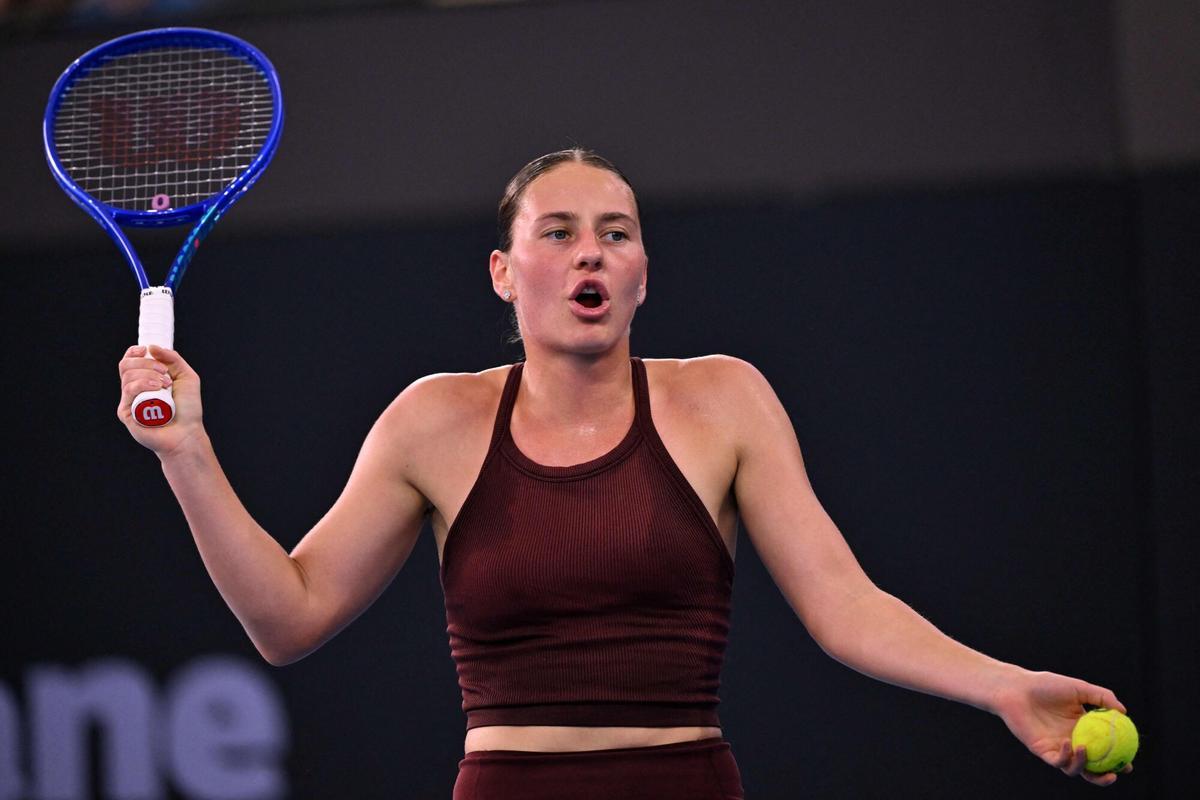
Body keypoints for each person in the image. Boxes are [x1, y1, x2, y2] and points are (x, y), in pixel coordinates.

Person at [117, 148, 1132, 798]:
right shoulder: (432, 419)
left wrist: (1005, 685)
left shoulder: (726, 399)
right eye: (556, 234)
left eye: (616, 233)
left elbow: (847, 609)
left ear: (644, 271)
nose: (588, 255)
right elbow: (286, 618)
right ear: (505, 273)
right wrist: (188, 453)